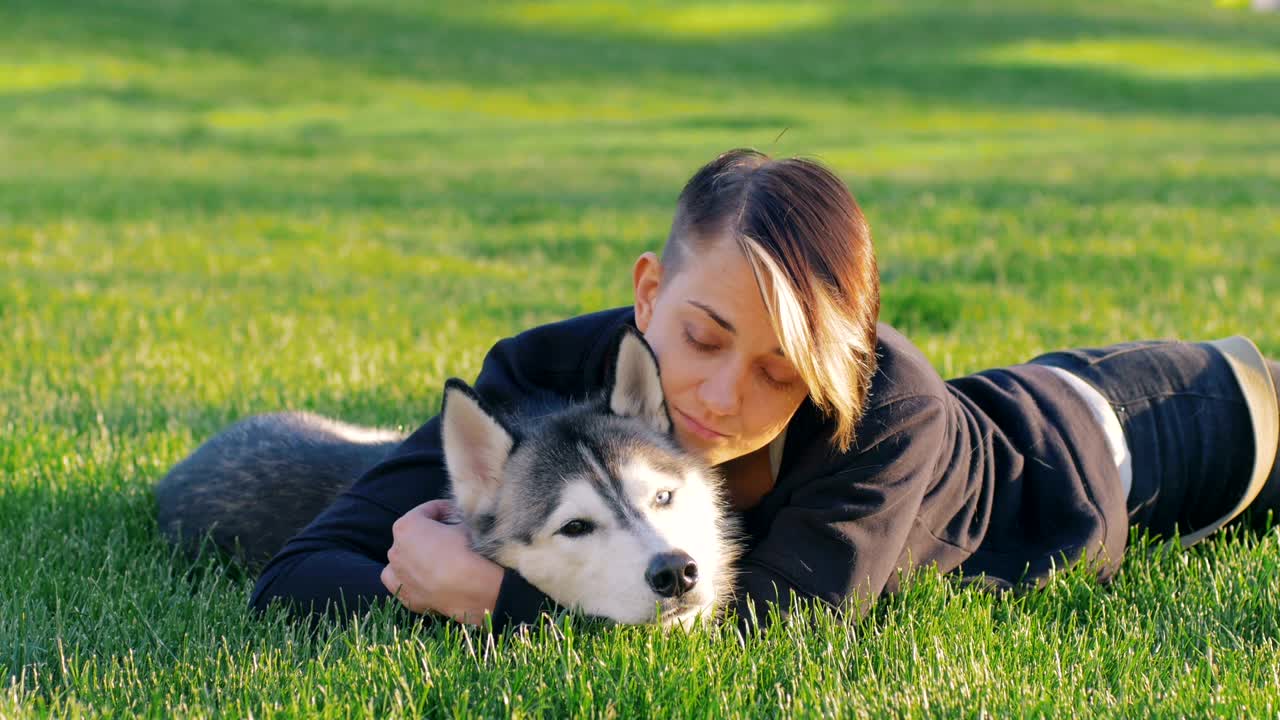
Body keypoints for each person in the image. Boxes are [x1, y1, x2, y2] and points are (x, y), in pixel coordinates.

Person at [249, 148, 1280, 630]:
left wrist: (493, 596)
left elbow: (762, 636)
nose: (720, 396)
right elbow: (297, 577)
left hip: (1174, 430)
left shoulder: (892, 414)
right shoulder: (538, 381)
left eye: (782, 369)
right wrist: (395, 569)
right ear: (648, 292)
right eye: (700, 336)